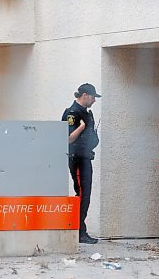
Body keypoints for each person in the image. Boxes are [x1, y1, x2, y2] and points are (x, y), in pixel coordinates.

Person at [61, 83, 101, 244]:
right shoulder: (72, 113)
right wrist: (82, 127)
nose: (94, 101)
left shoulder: (85, 113)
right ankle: (78, 231)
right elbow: (67, 139)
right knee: (82, 194)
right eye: (93, 97)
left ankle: (80, 229)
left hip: (85, 158)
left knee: (86, 195)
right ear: (84, 95)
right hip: (76, 159)